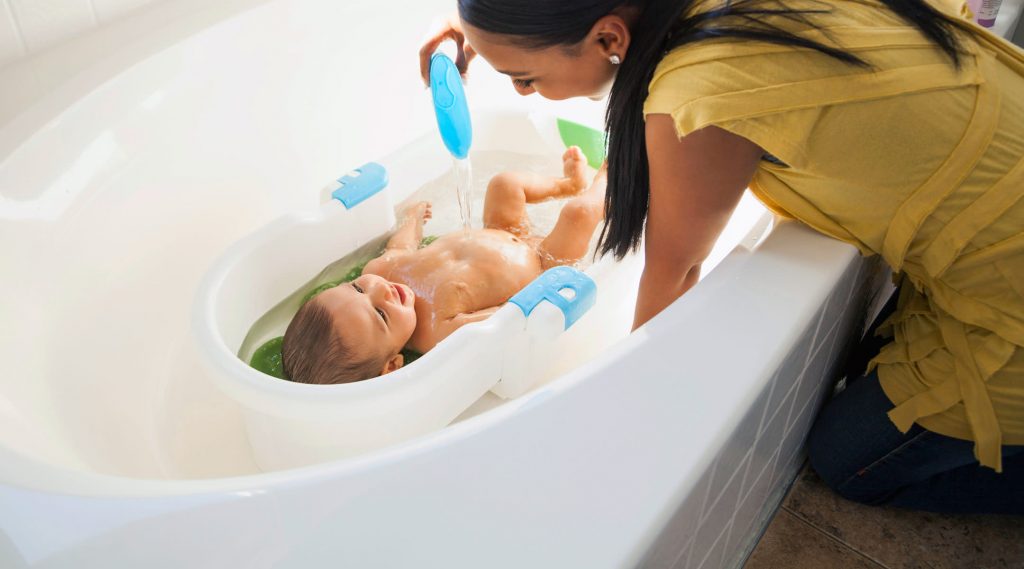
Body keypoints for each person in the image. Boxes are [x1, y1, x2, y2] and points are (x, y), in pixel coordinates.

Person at [418, 0, 1024, 514]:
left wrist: (622, 417)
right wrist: (489, 41)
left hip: (1008, 282)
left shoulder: (698, 97)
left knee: (848, 460)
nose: (524, 92)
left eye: (524, 77)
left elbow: (674, 275)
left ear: (608, 36)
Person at [282, 147, 605, 385]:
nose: (378, 291)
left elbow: (402, 247)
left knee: (504, 184)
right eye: (380, 314)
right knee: (578, 215)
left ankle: (568, 184)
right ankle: (609, 175)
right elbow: (510, 314)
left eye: (356, 288)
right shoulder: (438, 334)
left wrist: (412, 220)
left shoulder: (378, 273)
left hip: (503, 229)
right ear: (392, 365)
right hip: (543, 261)